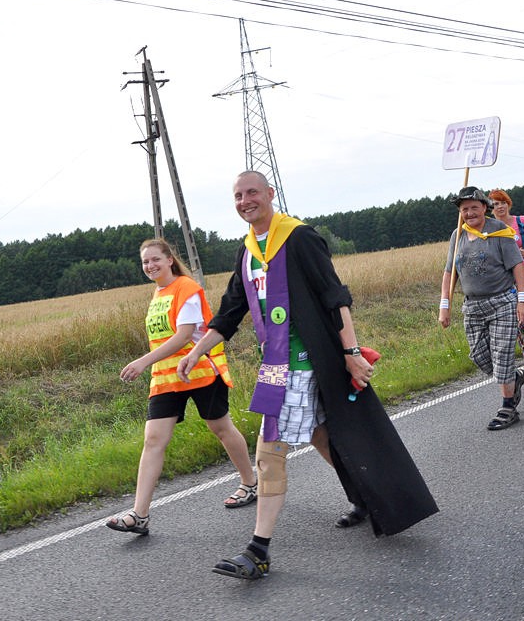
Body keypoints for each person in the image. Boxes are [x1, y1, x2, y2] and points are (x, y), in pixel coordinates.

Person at [178, 171, 437, 579]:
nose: (245, 201)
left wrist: (351, 352)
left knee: (269, 452)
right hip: (275, 366)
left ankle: (258, 549)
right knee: (320, 435)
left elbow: (336, 298)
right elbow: (230, 311)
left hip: (304, 361)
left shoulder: (298, 238)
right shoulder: (246, 253)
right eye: (237, 196)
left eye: (252, 193)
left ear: (269, 194)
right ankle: (369, 497)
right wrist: (195, 351)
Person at [105, 239, 257, 537]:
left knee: (221, 428)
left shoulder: (186, 287)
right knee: (153, 440)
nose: (150, 266)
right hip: (165, 378)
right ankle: (139, 515)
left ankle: (250, 483)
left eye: (155, 260)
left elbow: (184, 336)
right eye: (145, 262)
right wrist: (153, 365)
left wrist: (142, 362)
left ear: (170, 259)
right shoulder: (158, 294)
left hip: (198, 371)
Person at [440, 187, 524, 430]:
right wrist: (444, 306)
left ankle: (508, 406)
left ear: (484, 207)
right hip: (472, 306)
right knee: (480, 357)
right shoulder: (457, 235)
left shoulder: (500, 232)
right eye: (464, 209)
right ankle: (514, 377)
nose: (469, 213)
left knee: (501, 355)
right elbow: (450, 272)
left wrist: (523, 300)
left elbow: (518, 266)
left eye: (473, 207)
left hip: (502, 301)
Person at [488, 189, 524, 380]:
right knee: (516, 318)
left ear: (508, 203)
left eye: (502, 202)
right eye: (495, 204)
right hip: (506, 279)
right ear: (490, 208)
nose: (500, 206)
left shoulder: (522, 222)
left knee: (523, 317)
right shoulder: (490, 229)